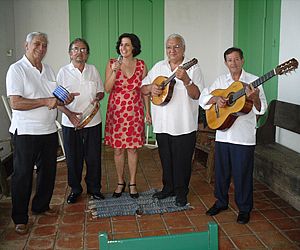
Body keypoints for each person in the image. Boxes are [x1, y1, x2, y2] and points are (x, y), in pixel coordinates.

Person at [6, 32, 77, 234]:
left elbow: (54, 98)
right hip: (26, 132)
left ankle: (41, 206)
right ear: (26, 45)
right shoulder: (16, 69)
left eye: (45, 45)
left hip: (48, 130)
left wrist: (66, 101)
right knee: (23, 175)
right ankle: (20, 217)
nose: (41, 48)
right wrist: (45, 101)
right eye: (37, 44)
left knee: (48, 173)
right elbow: (16, 103)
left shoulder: (48, 69)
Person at [199, 47, 267, 224]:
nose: (234, 63)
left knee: (242, 175)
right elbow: (203, 98)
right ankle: (221, 202)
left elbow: (263, 108)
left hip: (243, 138)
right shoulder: (221, 80)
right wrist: (215, 99)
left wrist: (256, 98)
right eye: (230, 60)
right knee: (221, 173)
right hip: (223, 135)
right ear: (225, 63)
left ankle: (244, 209)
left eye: (237, 59)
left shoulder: (253, 81)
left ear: (243, 60)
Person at [141, 34, 204, 207]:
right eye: (169, 47)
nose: (172, 50)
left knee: (183, 161)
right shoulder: (159, 66)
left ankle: (182, 192)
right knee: (166, 159)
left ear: (184, 49)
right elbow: (143, 87)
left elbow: (197, 95)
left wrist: (186, 80)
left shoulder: (193, 68)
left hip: (184, 124)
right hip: (162, 124)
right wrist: (151, 88)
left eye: (176, 47)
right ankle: (168, 188)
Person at [57, 38, 105, 204]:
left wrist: (98, 97)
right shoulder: (63, 72)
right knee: (73, 158)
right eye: (76, 49)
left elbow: (101, 92)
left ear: (87, 54)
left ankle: (94, 189)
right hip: (71, 123)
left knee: (93, 157)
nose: (80, 52)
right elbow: (57, 101)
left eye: (83, 49)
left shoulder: (93, 70)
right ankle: (75, 189)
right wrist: (70, 113)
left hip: (93, 121)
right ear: (70, 53)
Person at [104, 33, 150, 198]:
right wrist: (115, 72)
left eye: (127, 45)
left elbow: (145, 91)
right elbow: (107, 88)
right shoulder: (112, 64)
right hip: (116, 114)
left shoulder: (142, 65)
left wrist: (148, 113)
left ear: (134, 47)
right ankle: (119, 182)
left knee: (132, 150)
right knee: (118, 150)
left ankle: (132, 183)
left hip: (135, 113)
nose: (123, 48)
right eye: (121, 45)